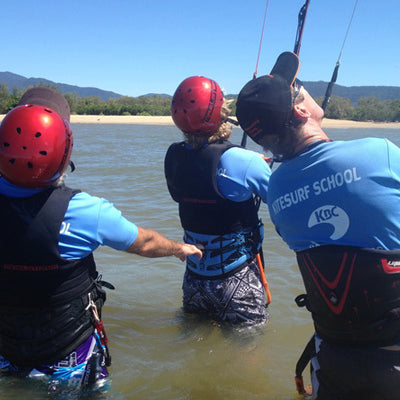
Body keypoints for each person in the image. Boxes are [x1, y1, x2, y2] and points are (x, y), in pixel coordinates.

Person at [0, 87, 202, 393]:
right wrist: (178, 248)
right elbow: (144, 243)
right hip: (69, 359)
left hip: (7, 354)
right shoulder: (86, 211)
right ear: (64, 152)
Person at [236, 51, 400, 400]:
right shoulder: (380, 153)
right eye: (300, 89)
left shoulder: (276, 191)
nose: (307, 90)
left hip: (335, 356)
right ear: (301, 110)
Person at [164, 76, 272, 325]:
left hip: (194, 280)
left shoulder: (174, 157)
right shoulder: (245, 161)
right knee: (247, 353)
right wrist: (255, 166)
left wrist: (247, 164)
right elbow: (281, 203)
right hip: (237, 280)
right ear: (222, 115)